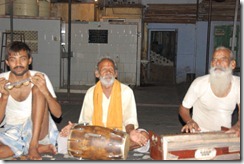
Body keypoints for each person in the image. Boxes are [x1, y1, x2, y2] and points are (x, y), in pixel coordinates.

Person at [58, 57, 149, 154]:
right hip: (95, 137)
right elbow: (85, 123)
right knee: (62, 138)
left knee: (144, 136)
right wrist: (73, 127)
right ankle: (116, 149)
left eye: (111, 70)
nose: (108, 72)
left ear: (116, 74)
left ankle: (102, 150)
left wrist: (131, 132)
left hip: (121, 136)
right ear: (97, 74)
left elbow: (129, 119)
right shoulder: (90, 93)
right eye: (104, 69)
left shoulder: (126, 91)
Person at [0, 41, 62, 160]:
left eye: (22, 59)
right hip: (12, 131)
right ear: (7, 62)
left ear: (29, 60)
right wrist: (4, 97)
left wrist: (45, 91)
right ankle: (37, 148)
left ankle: (33, 145)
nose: (18, 64)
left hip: (38, 130)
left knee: (38, 89)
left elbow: (58, 114)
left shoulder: (40, 77)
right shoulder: (1, 81)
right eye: (13, 60)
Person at [179, 46, 240, 136]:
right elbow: (183, 108)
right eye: (214, 60)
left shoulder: (238, 84)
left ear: (233, 64)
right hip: (199, 133)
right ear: (211, 64)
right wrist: (189, 121)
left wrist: (239, 125)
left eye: (223, 59)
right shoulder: (199, 83)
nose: (218, 63)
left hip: (225, 134)